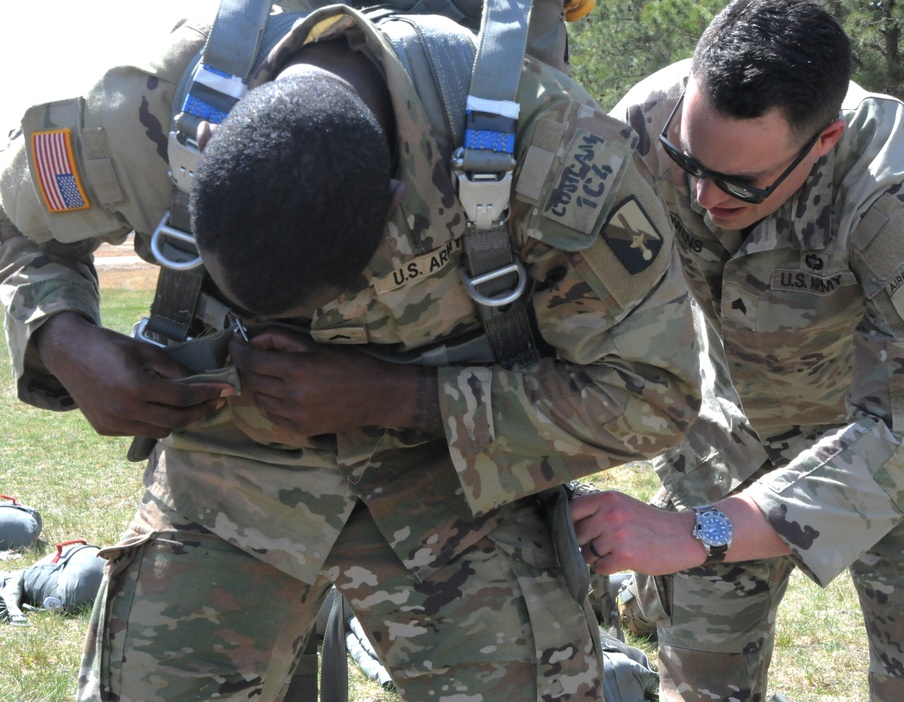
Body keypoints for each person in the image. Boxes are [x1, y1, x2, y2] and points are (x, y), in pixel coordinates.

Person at [0, 3, 709, 701]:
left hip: (458, 479)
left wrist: (395, 396)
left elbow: (652, 391)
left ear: (396, 201)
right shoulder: (149, 112)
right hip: (230, 468)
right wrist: (62, 340)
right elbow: (14, 222)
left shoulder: (548, 145)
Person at [570, 0, 904, 700]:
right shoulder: (645, 126)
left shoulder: (899, 198)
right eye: (691, 162)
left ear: (823, 142)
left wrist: (699, 532)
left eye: (742, 184)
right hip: (729, 431)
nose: (705, 195)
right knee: (701, 681)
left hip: (886, 446)